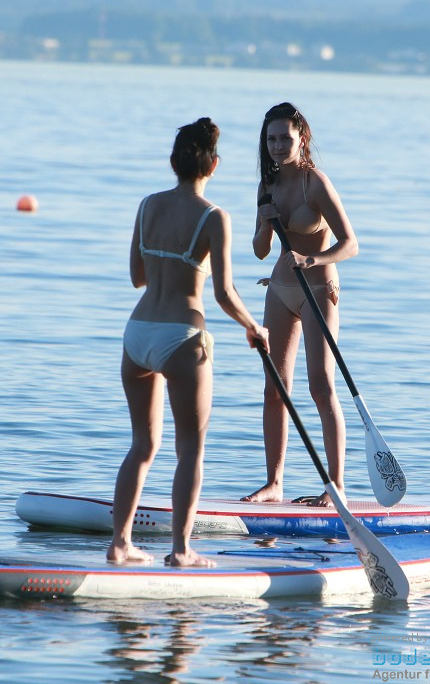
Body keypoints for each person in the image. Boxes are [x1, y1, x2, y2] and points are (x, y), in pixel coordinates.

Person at [108, 117, 269, 567]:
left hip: (137, 333)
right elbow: (223, 293)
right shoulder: (215, 217)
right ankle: (180, 550)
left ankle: (120, 543)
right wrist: (254, 327)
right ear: (213, 166)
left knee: (142, 445)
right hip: (182, 335)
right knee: (190, 450)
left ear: (172, 162)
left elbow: (137, 277)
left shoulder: (147, 205)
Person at [244, 102, 359, 508]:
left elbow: (350, 244)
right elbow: (260, 251)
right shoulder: (267, 186)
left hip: (318, 288)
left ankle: (337, 485)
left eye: (285, 139)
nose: (277, 146)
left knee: (320, 386)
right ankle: (274, 483)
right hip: (280, 288)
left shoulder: (316, 184)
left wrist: (313, 259)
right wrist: (265, 220)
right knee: (275, 388)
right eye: (271, 139)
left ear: (301, 138)